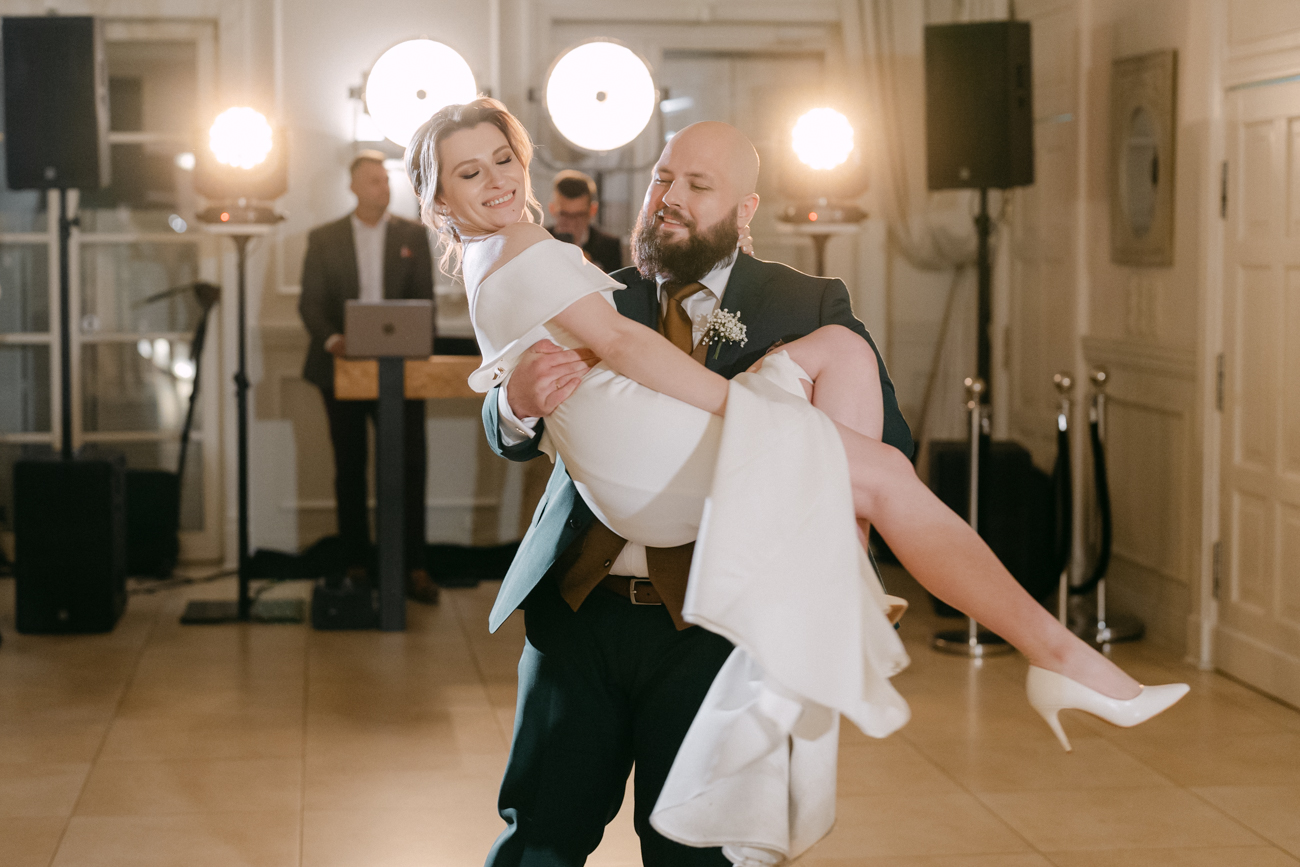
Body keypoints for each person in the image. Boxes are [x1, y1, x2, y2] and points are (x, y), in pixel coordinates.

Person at [405, 98, 1187, 866]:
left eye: (697, 185)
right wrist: (513, 403)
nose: (670, 197)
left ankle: (842, 591)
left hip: (704, 625)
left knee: (690, 855)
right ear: (440, 197)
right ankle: (1026, 647)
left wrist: (762, 419)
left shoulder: (805, 301)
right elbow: (525, 413)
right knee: (542, 836)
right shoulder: (587, 278)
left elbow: (885, 435)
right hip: (585, 607)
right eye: (662, 178)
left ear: (744, 210)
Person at [298, 150, 440, 604]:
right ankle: (356, 564)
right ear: (354, 187)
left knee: (410, 467)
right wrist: (334, 339)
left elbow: (425, 302)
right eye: (375, 180)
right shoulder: (324, 238)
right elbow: (310, 303)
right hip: (340, 370)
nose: (384, 187)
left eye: (386, 180)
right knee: (350, 467)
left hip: (403, 371)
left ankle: (414, 566)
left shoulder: (412, 235)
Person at [547, 169, 623, 273]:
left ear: (593, 210)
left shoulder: (608, 246)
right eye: (564, 215)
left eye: (579, 215)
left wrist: (592, 269)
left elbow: (615, 282)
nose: (572, 223)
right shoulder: (539, 241)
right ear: (551, 209)